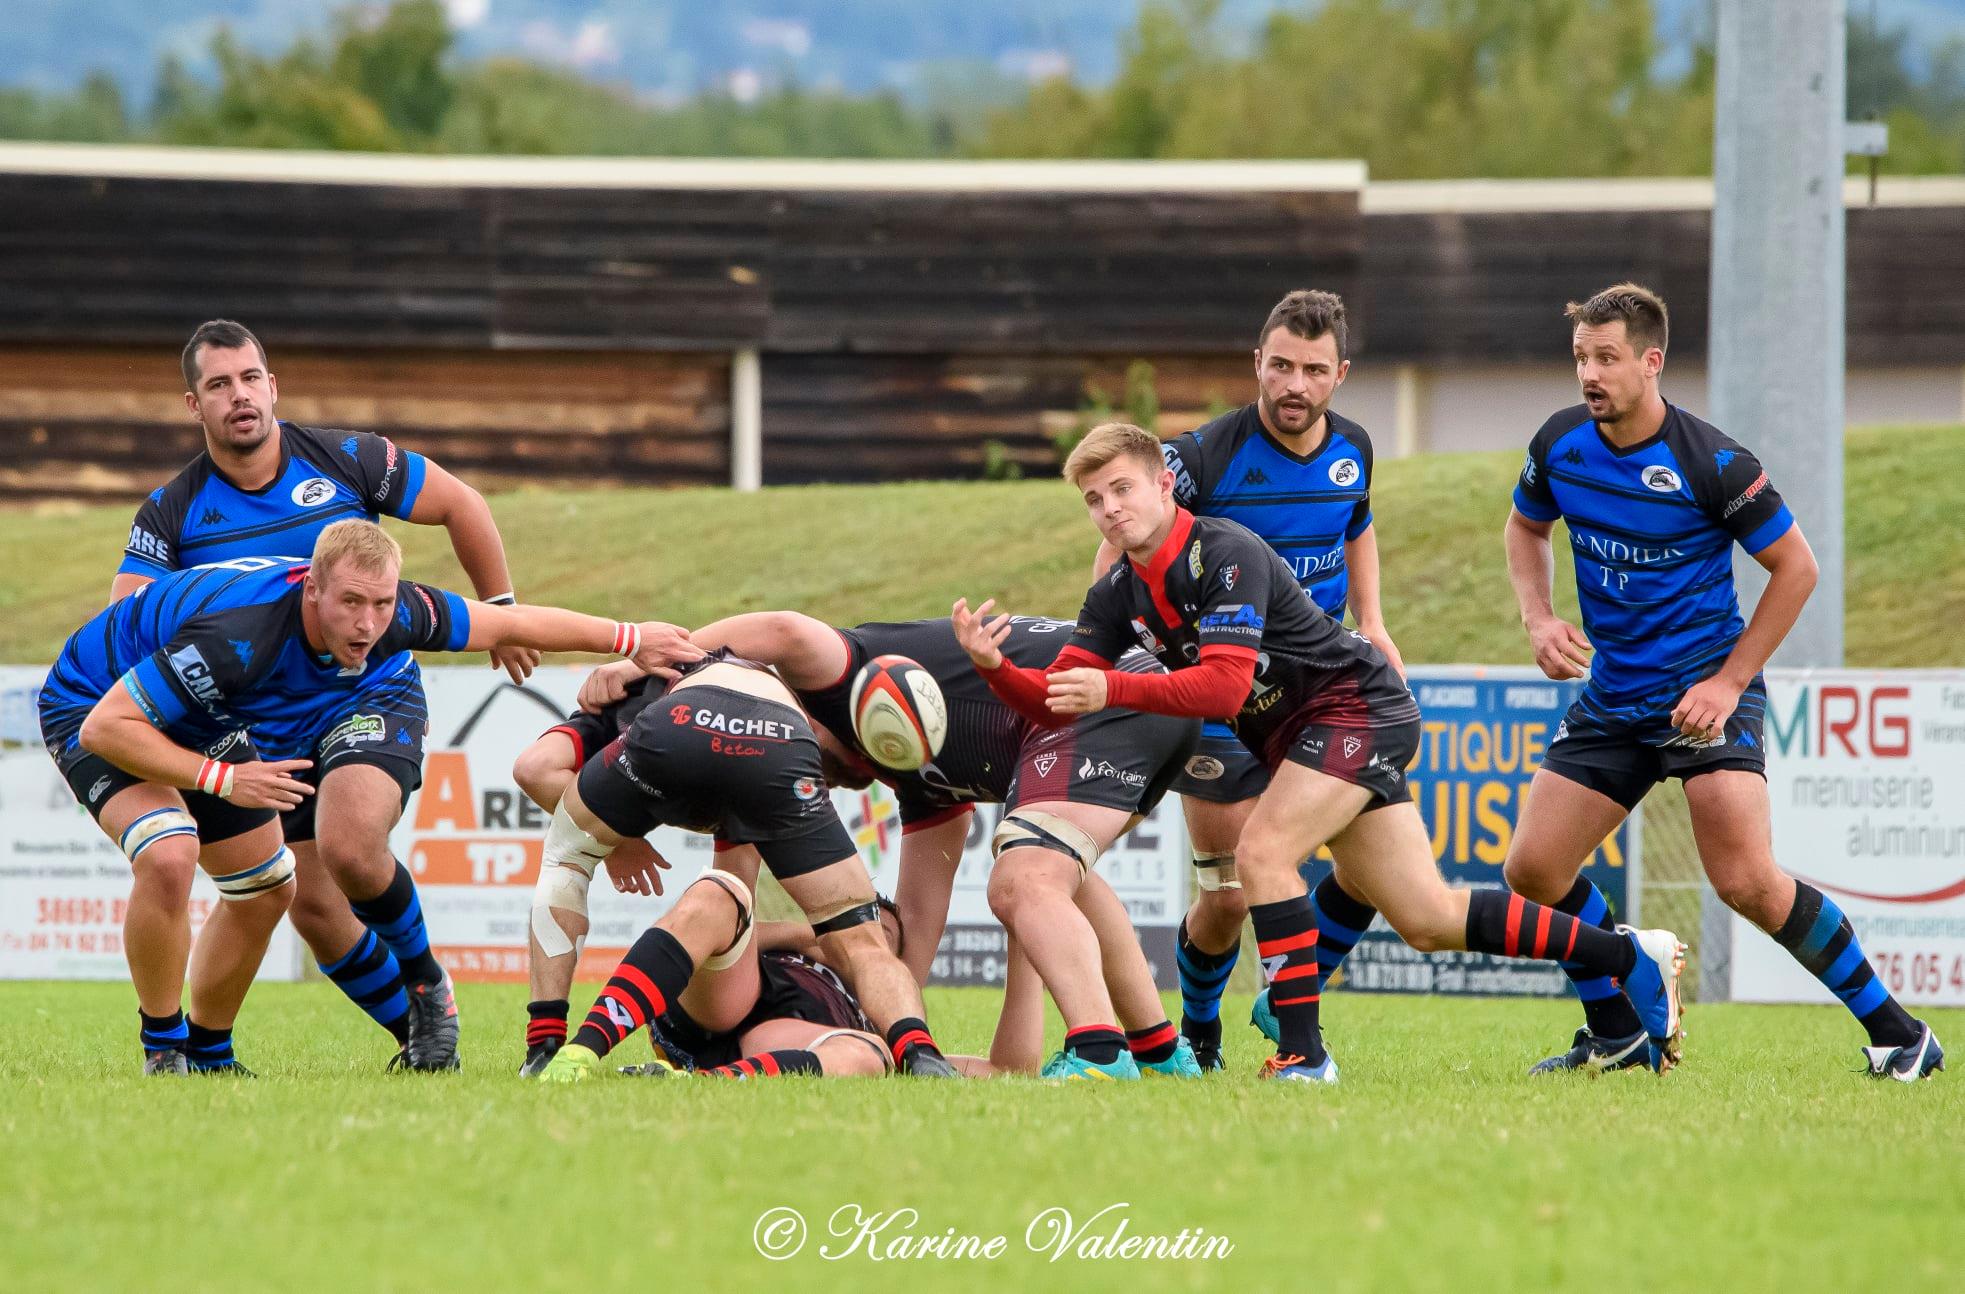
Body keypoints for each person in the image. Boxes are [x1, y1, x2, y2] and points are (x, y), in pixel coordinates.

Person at [952, 422, 1684, 1083]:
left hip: (1356, 708)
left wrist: (1110, 688)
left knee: (1261, 854)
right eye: (1093, 498)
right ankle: (1628, 956)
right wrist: (993, 667)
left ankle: (1303, 1056)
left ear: (1164, 483)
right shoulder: (1118, 592)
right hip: (1307, 735)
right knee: (1426, 919)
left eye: (1121, 488)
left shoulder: (1224, 551)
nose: (1110, 507)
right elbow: (1054, 698)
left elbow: (1220, 686)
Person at [39, 519, 697, 1073]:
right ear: (311, 586)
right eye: (352, 603)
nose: (368, 624)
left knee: (269, 888)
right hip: (95, 703)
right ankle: (163, 1050)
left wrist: (632, 640)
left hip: (208, 719)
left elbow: (507, 624)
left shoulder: (390, 613)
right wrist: (223, 778)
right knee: (171, 852)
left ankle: (210, 1055)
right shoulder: (238, 636)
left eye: (381, 605)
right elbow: (108, 727)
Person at [1481, 283, 1933, 1079]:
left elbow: (1795, 568)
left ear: (1650, 362)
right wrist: (1537, 618)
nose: (1590, 373)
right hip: (1614, 695)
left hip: (1703, 694)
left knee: (1746, 883)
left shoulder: (1712, 463)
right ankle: (1616, 1030)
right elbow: (1525, 525)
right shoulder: (1559, 444)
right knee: (1532, 872)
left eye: (1607, 358)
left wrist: (1728, 683)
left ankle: (1901, 1035)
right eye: (1581, 357)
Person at [110, 319, 538, 1060]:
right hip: (264, 720)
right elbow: (126, 623)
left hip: (364, 693)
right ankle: (422, 1039)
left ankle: (429, 985)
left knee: (348, 846)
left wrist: (499, 611)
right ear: (194, 405)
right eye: (219, 385)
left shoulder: (347, 458)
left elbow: (462, 503)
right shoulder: (173, 511)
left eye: (250, 379)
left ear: (272, 386)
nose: (239, 396)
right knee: (310, 903)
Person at [1103, 289, 1405, 1069]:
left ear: (1339, 374)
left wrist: (1371, 622)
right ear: (1256, 365)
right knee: (1231, 893)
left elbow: (1357, 524)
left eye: (1311, 370)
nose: (1292, 385)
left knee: (1371, 874)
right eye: (1279, 366)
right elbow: (1120, 553)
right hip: (1221, 702)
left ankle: (1284, 1004)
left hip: (1321, 695)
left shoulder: (1354, 448)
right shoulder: (1201, 456)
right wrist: (1129, 650)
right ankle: (1199, 1031)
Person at [530, 649, 959, 1080]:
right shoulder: (731, 687)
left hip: (680, 725)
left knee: (570, 860)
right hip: (769, 743)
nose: (843, 778)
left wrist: (614, 838)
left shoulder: (653, 677)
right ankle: (919, 1052)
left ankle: (547, 1051)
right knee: (859, 941)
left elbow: (535, 769)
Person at [547, 872, 905, 1082]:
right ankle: (581, 1050)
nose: (866, 939)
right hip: (736, 993)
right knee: (719, 891)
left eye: (883, 937)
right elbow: (733, 939)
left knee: (868, 1056)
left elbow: (934, 1065)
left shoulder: (878, 1008)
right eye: (862, 927)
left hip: (781, 1036)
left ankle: (698, 1082)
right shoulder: (798, 944)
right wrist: (811, 937)